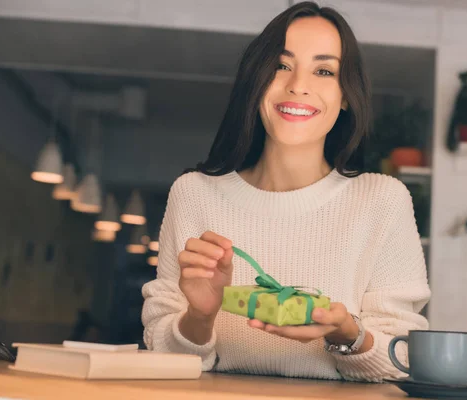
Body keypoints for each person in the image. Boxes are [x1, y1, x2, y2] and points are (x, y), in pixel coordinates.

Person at [141, 1, 430, 382]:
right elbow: (161, 354)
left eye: (324, 70)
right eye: (281, 65)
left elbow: (403, 358)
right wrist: (200, 316)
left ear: (345, 96)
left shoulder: (382, 200)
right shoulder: (194, 194)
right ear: (256, 80)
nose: (298, 85)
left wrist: (345, 332)